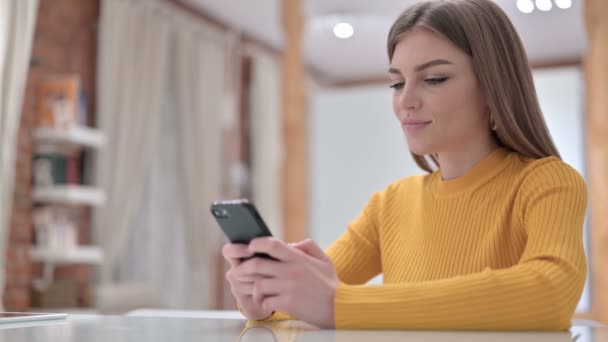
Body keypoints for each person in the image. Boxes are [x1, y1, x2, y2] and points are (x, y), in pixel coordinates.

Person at [222, 0, 588, 331]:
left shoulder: (547, 182)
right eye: (397, 83)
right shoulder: (390, 204)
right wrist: (264, 297)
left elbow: (551, 293)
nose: (405, 102)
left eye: (433, 79)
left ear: (494, 87)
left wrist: (337, 303)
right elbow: (311, 298)